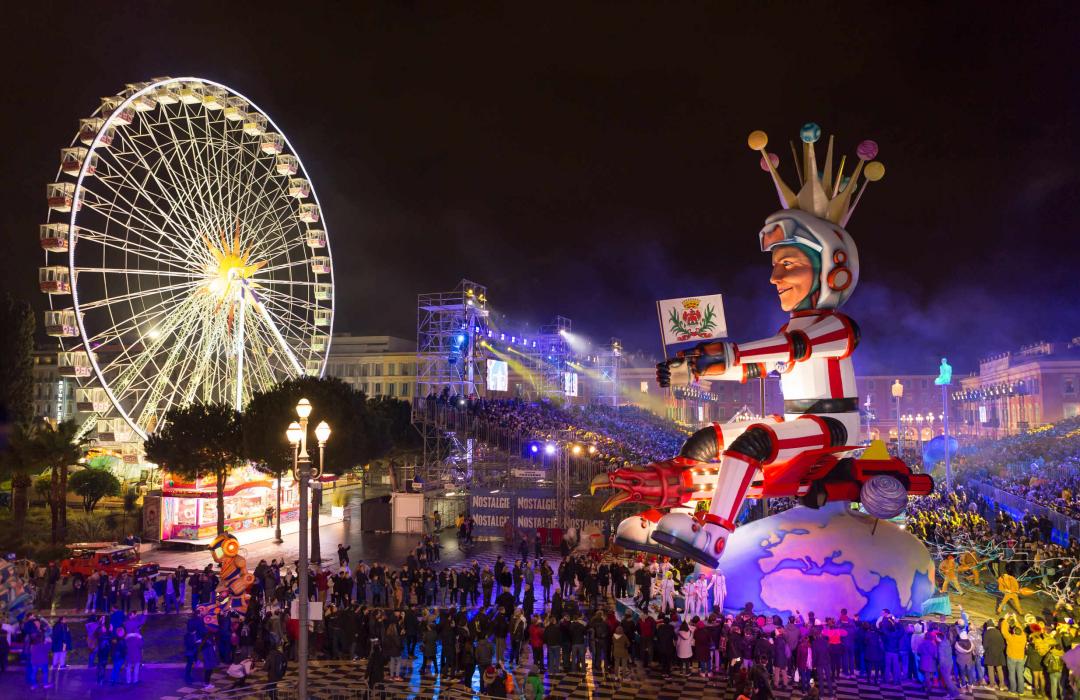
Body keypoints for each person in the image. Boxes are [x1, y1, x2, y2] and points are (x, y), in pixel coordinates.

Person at [1001, 614, 1027, 695]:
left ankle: (1013, 690)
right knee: (1020, 675)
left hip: (1011, 658)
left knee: (1012, 674)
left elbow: (1004, 631)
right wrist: (1015, 619)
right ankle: (1021, 691)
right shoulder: (1023, 637)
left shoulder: (1011, 638)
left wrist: (1005, 620)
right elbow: (1021, 630)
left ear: (1014, 632)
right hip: (1020, 658)